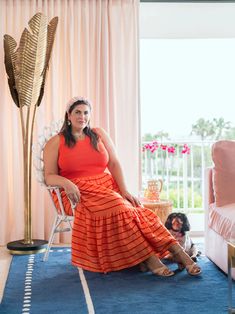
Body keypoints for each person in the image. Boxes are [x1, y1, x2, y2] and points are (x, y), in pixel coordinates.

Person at [43, 96, 201, 277]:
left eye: (86, 112)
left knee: (137, 210)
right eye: (77, 112)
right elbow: (49, 176)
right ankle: (150, 258)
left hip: (107, 186)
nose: (82, 116)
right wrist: (66, 182)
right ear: (68, 115)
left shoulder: (99, 134)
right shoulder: (56, 142)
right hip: (76, 191)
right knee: (119, 207)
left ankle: (176, 252)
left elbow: (115, 164)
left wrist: (124, 190)